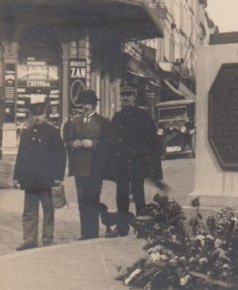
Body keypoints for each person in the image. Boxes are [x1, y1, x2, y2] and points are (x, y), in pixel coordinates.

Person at [106, 86, 164, 234]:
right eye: (123, 95)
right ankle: (123, 225)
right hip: (121, 163)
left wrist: (148, 160)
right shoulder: (117, 116)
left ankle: (142, 225)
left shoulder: (143, 116)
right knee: (122, 195)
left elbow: (152, 140)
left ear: (134, 96)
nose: (125, 98)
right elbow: (111, 141)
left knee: (138, 194)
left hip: (137, 161)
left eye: (129, 95)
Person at [13, 95, 66, 250]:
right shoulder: (27, 133)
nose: (38, 117)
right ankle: (30, 239)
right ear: (31, 115)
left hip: (47, 180)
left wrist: (58, 177)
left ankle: (47, 239)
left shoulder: (53, 132)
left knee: (48, 210)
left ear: (45, 114)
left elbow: (61, 156)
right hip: (29, 180)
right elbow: (21, 156)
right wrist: (17, 177)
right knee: (29, 212)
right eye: (35, 114)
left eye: (40, 114)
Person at [64, 89, 110, 240]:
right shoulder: (74, 122)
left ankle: (93, 232)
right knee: (82, 199)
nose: (86, 106)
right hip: (79, 168)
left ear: (95, 105)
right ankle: (85, 233)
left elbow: (108, 143)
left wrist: (93, 143)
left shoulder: (103, 122)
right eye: (84, 103)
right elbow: (67, 140)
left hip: (95, 168)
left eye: (89, 103)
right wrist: (73, 143)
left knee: (93, 199)